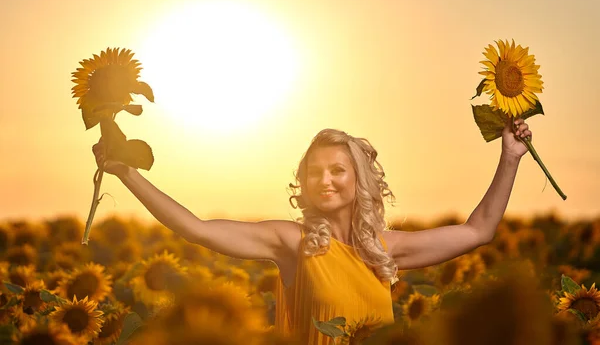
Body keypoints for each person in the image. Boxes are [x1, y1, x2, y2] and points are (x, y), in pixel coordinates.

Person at [92, 117, 532, 345]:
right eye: (314, 171)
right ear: (302, 183)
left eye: (338, 170)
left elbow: (479, 231)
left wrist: (510, 157)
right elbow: (197, 229)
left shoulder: (386, 251)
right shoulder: (292, 243)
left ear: (359, 178)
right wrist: (127, 173)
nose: (325, 180)